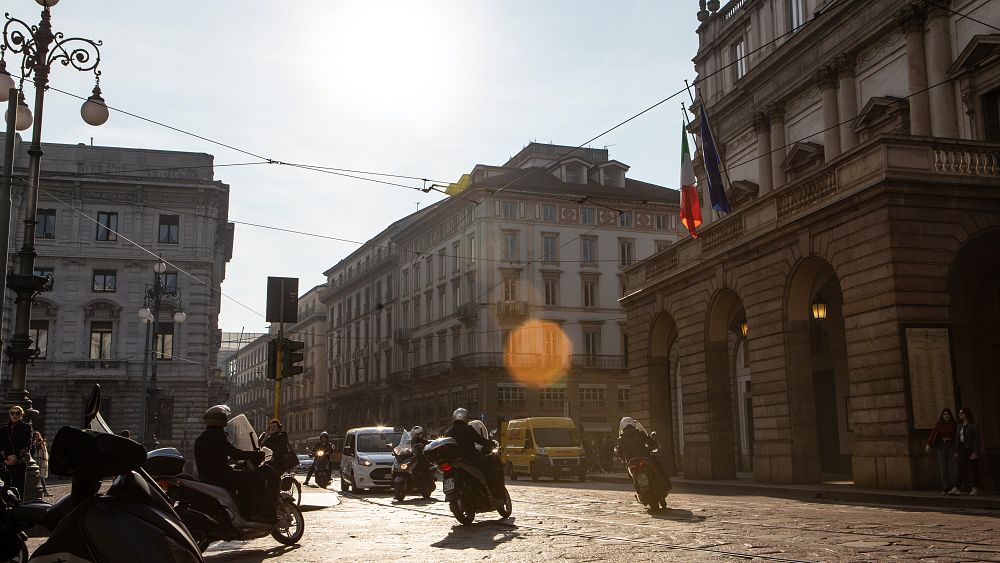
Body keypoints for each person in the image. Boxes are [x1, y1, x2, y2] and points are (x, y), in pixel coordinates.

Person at [194, 405, 271, 521]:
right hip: (221, 476)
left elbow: (217, 456)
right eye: (224, 417)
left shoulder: (201, 438)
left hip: (207, 476)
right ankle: (253, 513)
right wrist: (255, 454)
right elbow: (235, 453)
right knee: (257, 478)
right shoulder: (217, 437)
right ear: (221, 421)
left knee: (242, 477)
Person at [445, 409, 501, 498]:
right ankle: (490, 492)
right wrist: (491, 444)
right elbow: (480, 440)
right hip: (470, 459)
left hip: (454, 462)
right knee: (488, 470)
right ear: (465, 418)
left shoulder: (448, 432)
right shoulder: (468, 429)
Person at [616, 417, 668, 484]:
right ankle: (665, 481)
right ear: (633, 424)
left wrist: (623, 459)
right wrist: (655, 445)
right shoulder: (640, 434)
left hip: (631, 460)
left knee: (630, 474)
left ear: (622, 426)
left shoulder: (621, 439)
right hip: (644, 456)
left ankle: (637, 487)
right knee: (657, 465)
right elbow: (650, 441)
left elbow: (619, 452)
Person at [0, 406, 33, 497]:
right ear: (10, 415)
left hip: (19, 463)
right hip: (6, 463)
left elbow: (27, 445)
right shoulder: (4, 429)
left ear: (21, 415)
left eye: (17, 413)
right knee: (5, 489)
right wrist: (7, 457)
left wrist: (16, 457)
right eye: (12, 413)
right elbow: (1, 446)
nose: (15, 415)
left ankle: (17, 510)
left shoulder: (26, 427)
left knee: (18, 490)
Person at [925, 408, 957, 494]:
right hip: (941, 445)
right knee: (943, 466)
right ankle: (945, 486)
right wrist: (928, 444)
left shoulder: (954, 424)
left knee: (954, 465)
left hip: (952, 445)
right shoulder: (939, 423)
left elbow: (957, 436)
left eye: (948, 414)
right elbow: (933, 433)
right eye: (945, 414)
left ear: (950, 415)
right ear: (942, 416)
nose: (946, 416)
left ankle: (956, 486)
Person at [952, 407, 981, 496]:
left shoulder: (973, 425)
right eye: (959, 413)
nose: (960, 415)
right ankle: (956, 487)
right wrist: (956, 450)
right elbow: (957, 439)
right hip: (962, 448)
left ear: (967, 414)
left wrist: (975, 452)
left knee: (974, 469)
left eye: (962, 413)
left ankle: (975, 488)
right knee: (961, 468)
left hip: (971, 448)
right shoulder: (959, 425)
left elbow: (976, 439)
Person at [30, 431, 50, 497]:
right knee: (41, 476)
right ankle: (44, 491)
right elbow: (37, 445)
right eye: (36, 436)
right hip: (38, 461)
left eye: (38, 435)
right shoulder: (35, 443)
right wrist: (42, 441)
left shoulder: (43, 442)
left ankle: (42, 491)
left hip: (43, 461)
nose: (37, 437)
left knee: (41, 476)